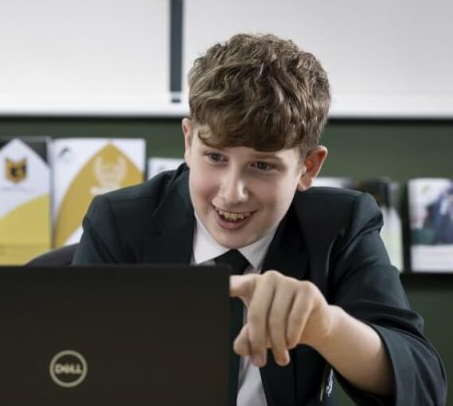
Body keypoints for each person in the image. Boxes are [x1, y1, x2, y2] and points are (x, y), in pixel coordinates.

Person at [72, 34, 446, 405]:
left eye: (262, 165)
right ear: (189, 142)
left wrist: (325, 326)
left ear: (308, 167)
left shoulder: (340, 224)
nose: (232, 192)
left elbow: (424, 385)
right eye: (215, 157)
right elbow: (67, 368)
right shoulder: (120, 221)